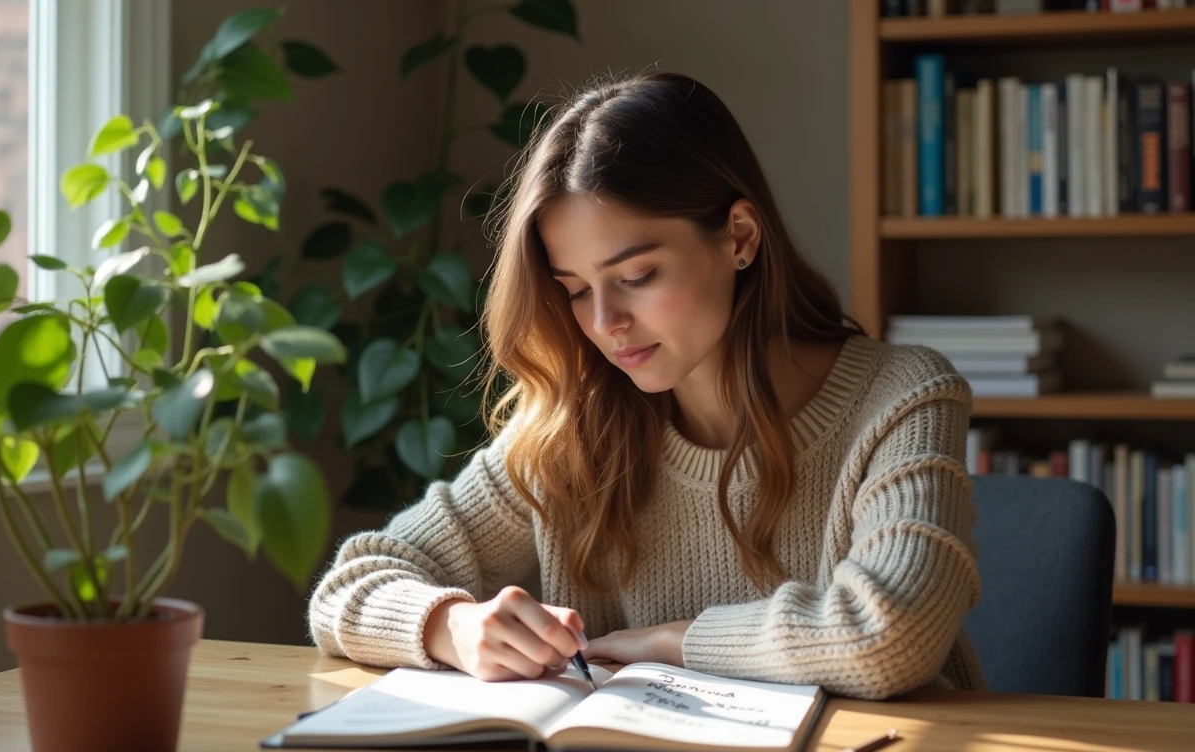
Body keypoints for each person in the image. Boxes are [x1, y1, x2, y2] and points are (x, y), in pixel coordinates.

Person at [308, 71, 984, 701]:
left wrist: (669, 643)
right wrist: (451, 626)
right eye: (575, 290)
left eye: (636, 277)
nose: (605, 324)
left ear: (740, 237)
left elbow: (892, 633)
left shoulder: (903, 398)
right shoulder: (575, 427)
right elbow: (350, 587)